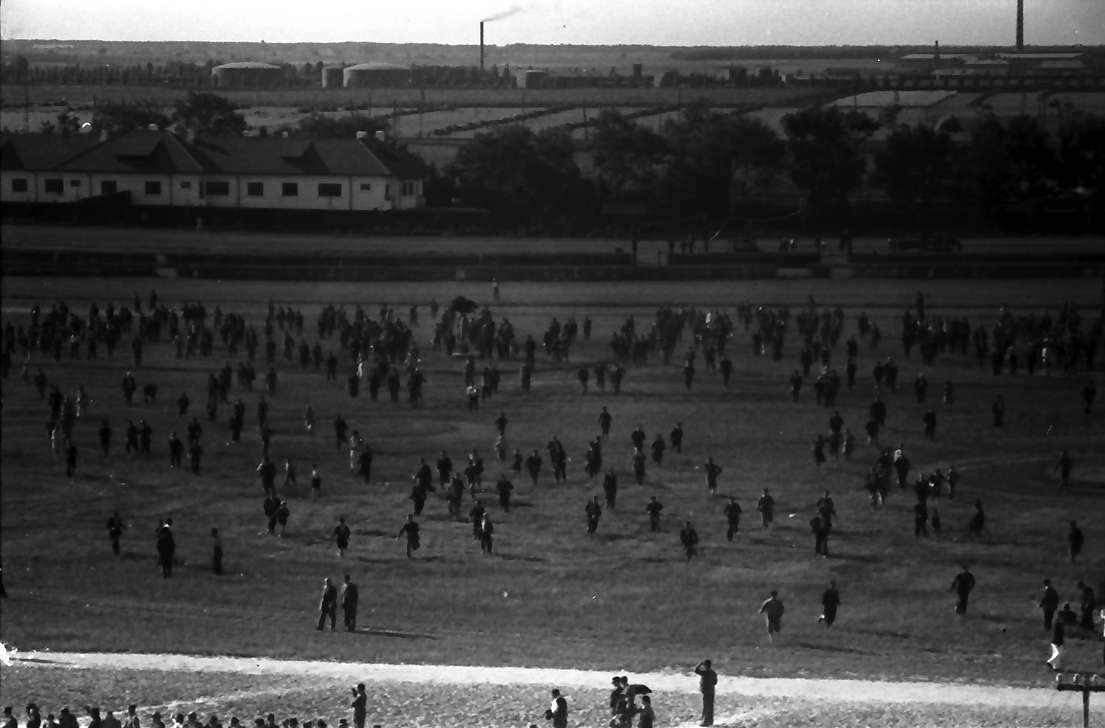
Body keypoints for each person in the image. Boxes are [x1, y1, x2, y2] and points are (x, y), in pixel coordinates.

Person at [693, 659, 717, 727]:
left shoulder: (705, 672)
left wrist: (700, 664)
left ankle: (706, 722)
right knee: (710, 707)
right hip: (712, 692)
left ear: (705, 665)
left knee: (706, 707)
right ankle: (710, 721)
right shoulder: (713, 673)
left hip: (706, 692)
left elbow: (696, 670)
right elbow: (715, 682)